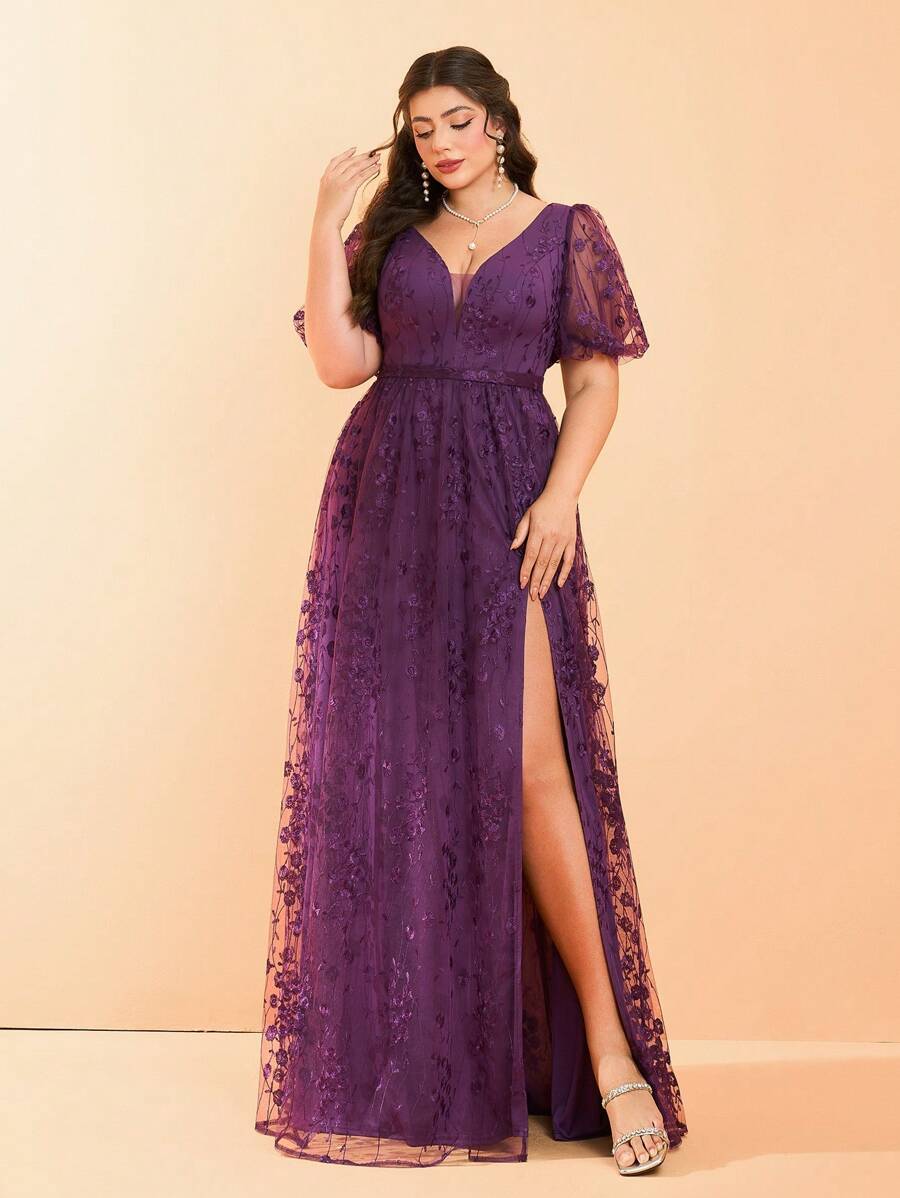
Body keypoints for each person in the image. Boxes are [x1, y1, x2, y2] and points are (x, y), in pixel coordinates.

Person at [255, 46, 688, 1175]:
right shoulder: (387, 235)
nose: (441, 143)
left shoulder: (566, 233)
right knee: (400, 768)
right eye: (421, 129)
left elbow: (593, 378)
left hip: (510, 506)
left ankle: (610, 1054)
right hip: (389, 507)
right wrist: (324, 220)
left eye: (457, 121)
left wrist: (560, 497)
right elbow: (341, 364)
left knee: (535, 769)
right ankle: (425, 1056)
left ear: (496, 121)